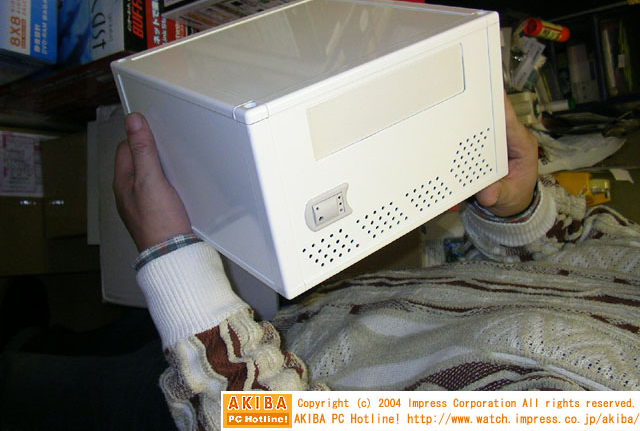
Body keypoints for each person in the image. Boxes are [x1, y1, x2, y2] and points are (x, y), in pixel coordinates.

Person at [113, 95, 640, 430]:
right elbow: (578, 244)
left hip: (220, 385)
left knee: (78, 396)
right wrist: (520, 209)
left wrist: (176, 266)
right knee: (110, 349)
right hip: (279, 332)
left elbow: (272, 422)